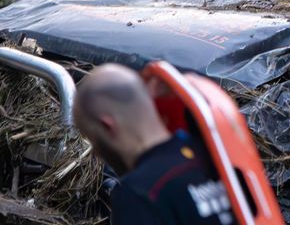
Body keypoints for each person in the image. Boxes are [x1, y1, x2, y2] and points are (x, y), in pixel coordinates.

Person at [73, 64, 237, 225]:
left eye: (93, 139)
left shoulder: (139, 193)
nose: (96, 153)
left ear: (107, 126)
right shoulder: (214, 156)